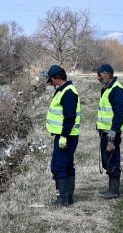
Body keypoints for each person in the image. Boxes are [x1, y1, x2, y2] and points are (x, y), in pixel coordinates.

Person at [45, 64, 81, 206]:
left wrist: (64, 136)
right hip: (64, 135)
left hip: (67, 136)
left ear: (58, 78)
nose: (51, 83)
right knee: (66, 165)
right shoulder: (63, 90)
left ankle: (63, 199)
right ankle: (68, 198)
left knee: (59, 166)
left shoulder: (68, 93)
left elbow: (70, 117)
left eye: (52, 80)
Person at [96, 64, 123, 199]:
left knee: (112, 159)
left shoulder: (116, 90)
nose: (97, 78)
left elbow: (119, 114)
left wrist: (114, 131)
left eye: (99, 75)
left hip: (112, 133)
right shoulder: (106, 89)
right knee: (107, 159)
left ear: (107, 74)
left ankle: (114, 191)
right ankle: (111, 189)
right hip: (105, 131)